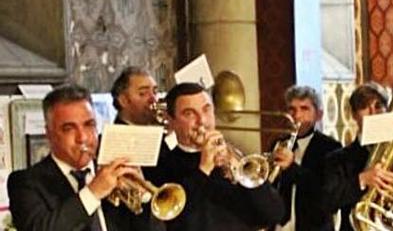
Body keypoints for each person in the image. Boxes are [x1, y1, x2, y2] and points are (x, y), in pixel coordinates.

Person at [8, 84, 150, 231]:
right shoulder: (25, 182)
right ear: (49, 134)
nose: (82, 138)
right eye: (69, 128)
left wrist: (143, 198)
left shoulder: (113, 172)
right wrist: (93, 192)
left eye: (89, 125)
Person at [151, 82, 285, 230]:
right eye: (189, 113)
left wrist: (240, 170)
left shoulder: (234, 157)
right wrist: (203, 169)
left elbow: (274, 214)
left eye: (206, 110)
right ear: (171, 121)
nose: (202, 121)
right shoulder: (163, 165)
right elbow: (181, 224)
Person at [322, 83, 393, 231]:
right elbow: (327, 200)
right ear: (354, 115)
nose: (373, 112)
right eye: (364, 106)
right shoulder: (338, 158)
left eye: (378, 106)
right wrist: (362, 179)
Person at [271, 85, 341, 231]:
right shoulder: (278, 144)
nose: (297, 116)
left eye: (304, 109)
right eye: (292, 109)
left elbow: (326, 193)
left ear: (319, 115)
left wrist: (292, 167)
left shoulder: (330, 147)